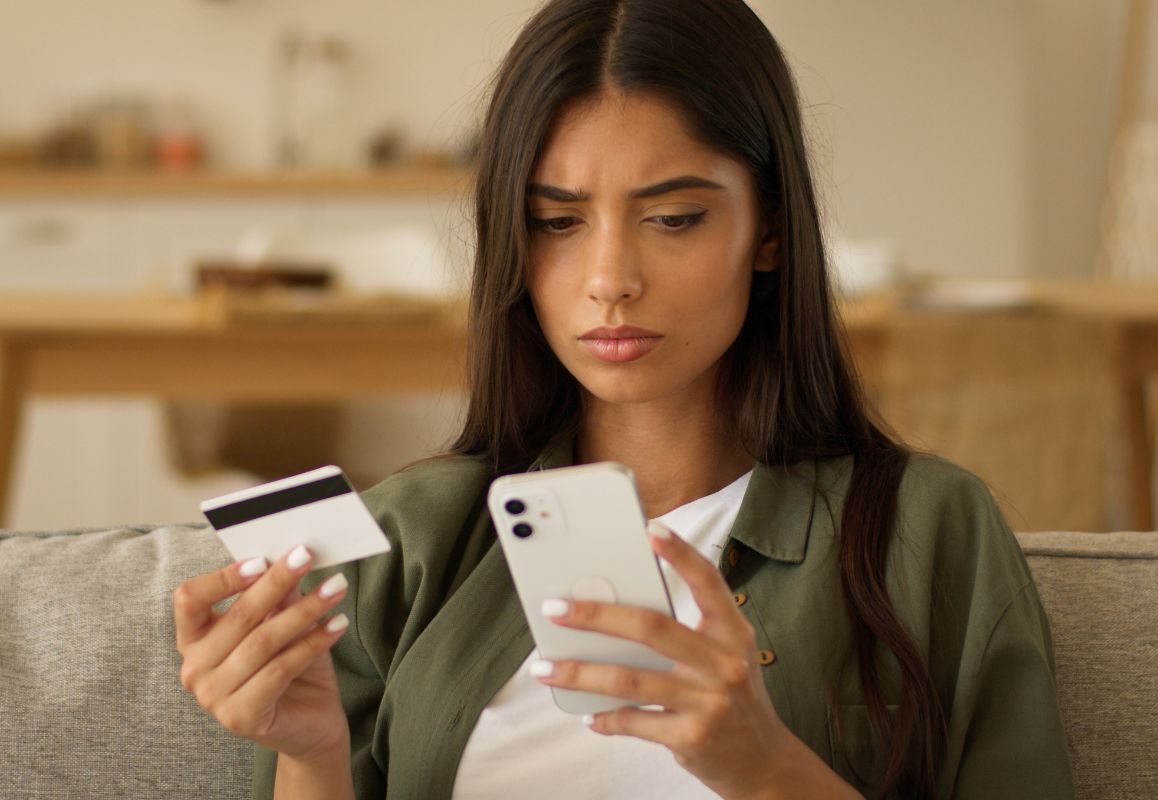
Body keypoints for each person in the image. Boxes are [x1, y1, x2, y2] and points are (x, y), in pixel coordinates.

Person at [172, 1, 1075, 797]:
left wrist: (767, 771)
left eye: (674, 218)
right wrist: (314, 757)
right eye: (557, 222)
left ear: (767, 228)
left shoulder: (928, 531)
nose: (609, 280)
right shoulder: (406, 546)